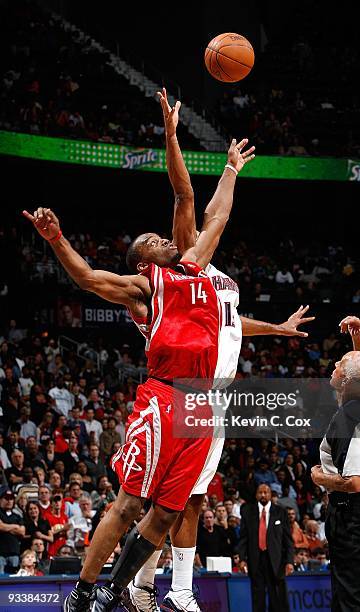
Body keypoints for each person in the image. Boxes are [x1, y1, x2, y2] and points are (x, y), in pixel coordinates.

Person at [24, 127, 255, 612]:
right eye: (151, 240)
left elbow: (216, 211)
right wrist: (57, 239)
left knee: (167, 512)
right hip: (165, 396)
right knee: (130, 503)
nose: (161, 238)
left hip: (202, 406)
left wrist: (231, 169)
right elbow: (88, 278)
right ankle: (83, 592)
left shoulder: (196, 265)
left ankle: (117, 589)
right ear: (142, 259)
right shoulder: (146, 288)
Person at [125, 88, 313, 612]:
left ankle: (162, 589)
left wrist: (274, 329)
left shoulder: (213, 279)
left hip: (217, 396)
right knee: (168, 499)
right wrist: (173, 138)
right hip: (185, 391)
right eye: (160, 242)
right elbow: (190, 199)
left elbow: (231, 324)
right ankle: (153, 586)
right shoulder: (181, 270)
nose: (175, 238)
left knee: (193, 497)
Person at [311, 316, 360, 612]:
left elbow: (354, 482)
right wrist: (357, 339)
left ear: (345, 381)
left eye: (339, 366)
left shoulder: (348, 419)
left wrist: (320, 477)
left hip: (355, 514)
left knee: (354, 599)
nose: (333, 366)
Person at [237, 483, 293, 611]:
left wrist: (289, 561)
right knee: (258, 599)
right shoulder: (247, 511)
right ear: (256, 495)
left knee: (278, 600)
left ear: (270, 494)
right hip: (255, 561)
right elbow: (243, 538)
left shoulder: (281, 512)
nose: (263, 495)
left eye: (266, 492)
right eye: (260, 492)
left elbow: (288, 540)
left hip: (276, 562)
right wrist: (242, 558)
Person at [0, 487, 25, 574]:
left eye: (11, 499)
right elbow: (0, 527)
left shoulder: (17, 516)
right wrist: (15, 526)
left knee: (14, 578)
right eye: (6, 498)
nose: (9, 501)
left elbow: (22, 532)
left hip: (14, 552)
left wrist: (5, 527)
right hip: (0, 553)